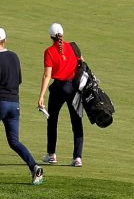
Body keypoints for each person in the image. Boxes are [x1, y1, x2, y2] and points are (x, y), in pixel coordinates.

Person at [0, 27, 43, 185]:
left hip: (0, 104)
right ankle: (34, 167)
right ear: (5, 40)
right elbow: (19, 80)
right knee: (14, 141)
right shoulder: (14, 56)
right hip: (15, 104)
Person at [37, 23, 84, 167]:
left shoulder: (49, 51)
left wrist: (41, 96)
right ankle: (77, 157)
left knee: (52, 121)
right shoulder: (74, 46)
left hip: (58, 88)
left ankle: (51, 155)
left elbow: (47, 75)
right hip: (74, 88)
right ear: (62, 34)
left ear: (51, 37)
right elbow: (82, 64)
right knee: (76, 122)